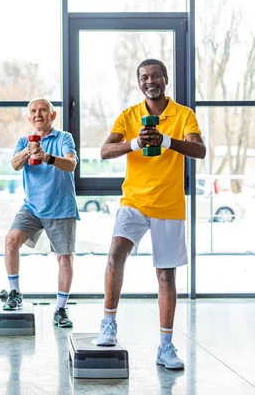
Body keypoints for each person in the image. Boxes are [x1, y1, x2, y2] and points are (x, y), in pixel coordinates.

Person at [96, 59, 206, 370]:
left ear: (166, 79)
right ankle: (108, 324)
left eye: (155, 75)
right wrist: (134, 143)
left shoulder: (184, 115)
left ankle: (166, 346)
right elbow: (104, 151)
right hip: (134, 200)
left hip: (169, 204)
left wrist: (167, 142)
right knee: (116, 254)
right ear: (139, 82)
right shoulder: (129, 116)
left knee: (165, 275)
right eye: (144, 77)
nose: (150, 80)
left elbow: (200, 150)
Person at [4, 98, 79, 328]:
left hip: (61, 206)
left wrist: (46, 157)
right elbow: (15, 164)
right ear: (29, 118)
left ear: (52, 115)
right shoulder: (23, 141)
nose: (38, 114)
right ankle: (15, 293)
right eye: (34, 112)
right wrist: (29, 151)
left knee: (64, 258)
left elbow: (71, 164)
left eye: (43, 110)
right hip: (32, 207)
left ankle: (60, 309)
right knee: (11, 241)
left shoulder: (64, 137)